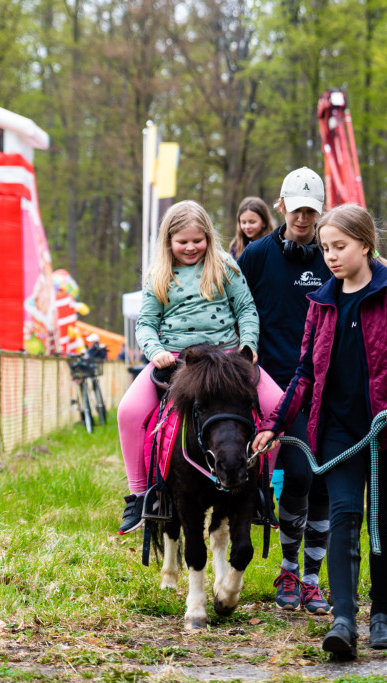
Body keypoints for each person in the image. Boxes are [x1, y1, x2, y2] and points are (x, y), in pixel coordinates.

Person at [252, 204, 387, 660]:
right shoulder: (321, 304)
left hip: (386, 432)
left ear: (365, 244)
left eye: (339, 246)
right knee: (343, 517)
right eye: (325, 248)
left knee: (382, 521)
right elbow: (304, 373)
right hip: (337, 433)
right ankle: (344, 619)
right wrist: (274, 424)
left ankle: (382, 615)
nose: (331, 256)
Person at [115, 200, 282, 534]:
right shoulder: (158, 274)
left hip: (227, 358)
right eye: (182, 241)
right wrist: (155, 351)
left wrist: (249, 344)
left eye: (198, 240)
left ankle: (261, 490)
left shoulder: (225, 266)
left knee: (276, 404)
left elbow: (246, 309)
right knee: (128, 412)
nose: (191, 247)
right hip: (177, 360)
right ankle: (140, 495)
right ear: (168, 241)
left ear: (208, 237)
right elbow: (146, 324)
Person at [238, 167, 333, 615]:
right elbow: (235, 306)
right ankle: (289, 570)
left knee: (324, 480)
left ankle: (311, 578)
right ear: (281, 206)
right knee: (296, 475)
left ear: (321, 212)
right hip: (276, 387)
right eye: (296, 210)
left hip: (327, 386)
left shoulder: (332, 254)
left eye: (310, 211)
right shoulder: (257, 255)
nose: (302, 218)